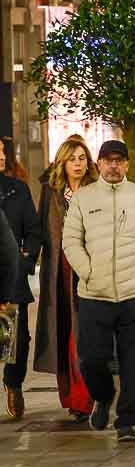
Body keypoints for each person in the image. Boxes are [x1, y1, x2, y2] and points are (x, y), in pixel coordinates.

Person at [62, 140, 135, 442]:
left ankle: (126, 422)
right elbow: (71, 242)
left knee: (133, 362)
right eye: (108, 160)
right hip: (94, 295)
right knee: (91, 359)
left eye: (119, 160)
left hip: (134, 293)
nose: (113, 166)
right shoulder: (83, 198)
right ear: (99, 163)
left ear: (127, 164)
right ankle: (103, 396)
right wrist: (89, 272)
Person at [35, 137, 99, 420]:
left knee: (83, 334)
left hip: (89, 268)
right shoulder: (51, 191)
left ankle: (85, 397)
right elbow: (41, 228)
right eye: (72, 159)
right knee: (63, 331)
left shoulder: (96, 190)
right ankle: (72, 397)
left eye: (82, 158)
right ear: (62, 162)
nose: (78, 164)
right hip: (59, 271)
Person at [0, 141, 39, 418]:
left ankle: (13, 383)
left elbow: (34, 231)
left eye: (3, 152)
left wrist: (25, 260)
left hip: (11, 277)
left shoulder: (18, 190)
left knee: (18, 340)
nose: (2, 157)